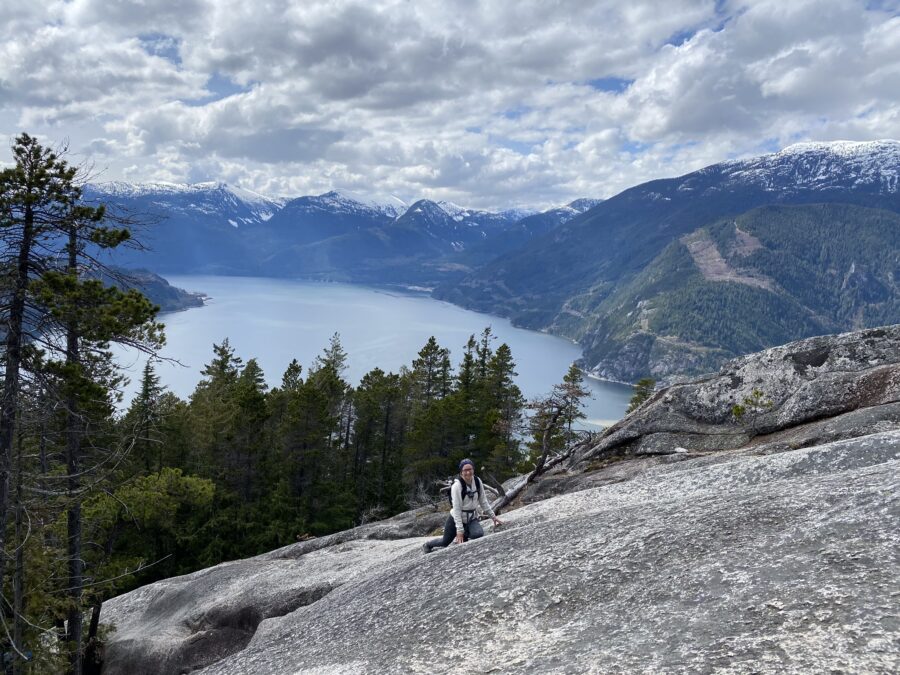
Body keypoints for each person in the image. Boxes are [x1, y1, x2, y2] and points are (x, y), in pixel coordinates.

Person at [422, 459, 503, 553]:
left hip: (471, 518)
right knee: (445, 542)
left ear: (473, 469)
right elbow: (457, 510)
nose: (468, 472)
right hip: (456, 518)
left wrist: (493, 517)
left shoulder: (477, 481)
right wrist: (459, 530)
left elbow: (483, 501)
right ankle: (428, 544)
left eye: (470, 469)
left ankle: (464, 536)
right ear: (461, 472)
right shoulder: (457, 486)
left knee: (478, 534)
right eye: (465, 470)